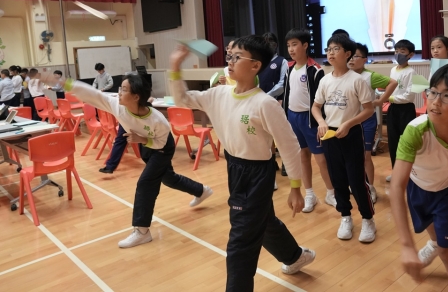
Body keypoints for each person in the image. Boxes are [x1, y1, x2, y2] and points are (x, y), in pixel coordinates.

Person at [170, 36, 315, 291]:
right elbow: (181, 99)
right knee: (263, 220)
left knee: (240, 241)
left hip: (257, 173)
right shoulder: (218, 94)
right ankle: (294, 257)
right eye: (230, 56)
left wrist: (295, 187)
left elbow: (289, 146)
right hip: (234, 167)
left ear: (255, 66)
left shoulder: (265, 104)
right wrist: (175, 66)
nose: (230, 61)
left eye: (237, 57)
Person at [40, 71, 212, 249]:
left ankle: (142, 231)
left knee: (146, 183)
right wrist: (63, 82)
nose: (119, 93)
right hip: (145, 144)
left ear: (136, 96)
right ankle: (201, 191)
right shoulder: (118, 106)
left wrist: (143, 140)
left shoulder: (158, 120)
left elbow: (161, 142)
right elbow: (92, 94)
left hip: (161, 147)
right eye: (120, 89)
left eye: (123, 90)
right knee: (168, 178)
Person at [390, 64, 448, 292]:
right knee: (435, 236)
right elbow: (396, 187)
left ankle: (439, 245)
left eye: (447, 95)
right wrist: (407, 245)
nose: (435, 102)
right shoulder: (415, 131)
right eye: (432, 92)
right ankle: (434, 242)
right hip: (418, 188)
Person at [311, 34, 376, 243]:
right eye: (329, 49)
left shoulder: (357, 80)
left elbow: (368, 110)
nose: (331, 53)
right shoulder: (325, 80)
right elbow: (316, 107)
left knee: (356, 180)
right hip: (329, 134)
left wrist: (348, 124)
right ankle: (346, 216)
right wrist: (321, 122)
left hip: (351, 133)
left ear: (347, 54)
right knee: (337, 178)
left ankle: (368, 219)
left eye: (336, 49)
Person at [282, 28, 336, 212]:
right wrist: (285, 118)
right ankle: (310, 194)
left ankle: (331, 193)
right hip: (293, 117)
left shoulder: (315, 70)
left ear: (305, 45)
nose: (291, 49)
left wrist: (321, 121)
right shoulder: (289, 68)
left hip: (310, 119)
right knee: (302, 157)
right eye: (288, 45)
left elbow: (321, 101)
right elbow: (287, 94)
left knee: (321, 159)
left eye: (294, 44)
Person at [348, 42, 398, 202]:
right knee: (351, 156)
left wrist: (381, 100)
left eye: (356, 56)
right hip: (349, 121)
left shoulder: (370, 76)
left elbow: (393, 83)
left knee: (365, 156)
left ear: (364, 59)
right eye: (350, 56)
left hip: (366, 121)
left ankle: (370, 187)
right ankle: (356, 184)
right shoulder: (345, 75)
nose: (351, 59)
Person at [386, 39, 417, 182]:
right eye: (396, 51)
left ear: (410, 55)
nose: (398, 54)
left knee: (406, 143)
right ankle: (396, 172)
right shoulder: (393, 70)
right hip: (393, 109)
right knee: (393, 142)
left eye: (402, 51)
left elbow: (409, 96)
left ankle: (410, 174)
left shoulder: (412, 72)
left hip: (406, 110)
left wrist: (389, 98)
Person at [258, 32, 287, 99]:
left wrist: (267, 95)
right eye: (264, 43)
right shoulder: (258, 62)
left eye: (269, 42)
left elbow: (282, 84)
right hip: (259, 99)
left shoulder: (282, 61)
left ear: (275, 45)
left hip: (275, 100)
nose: (267, 46)